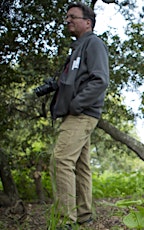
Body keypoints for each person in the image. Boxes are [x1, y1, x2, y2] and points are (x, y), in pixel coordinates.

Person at [49, 2, 109, 228]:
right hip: (78, 113)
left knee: (61, 160)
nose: (68, 20)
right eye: (67, 17)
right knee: (81, 165)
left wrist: (76, 105)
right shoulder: (78, 47)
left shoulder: (93, 44)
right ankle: (84, 215)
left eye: (73, 16)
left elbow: (100, 80)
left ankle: (64, 220)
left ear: (88, 22)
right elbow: (77, 80)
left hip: (81, 114)